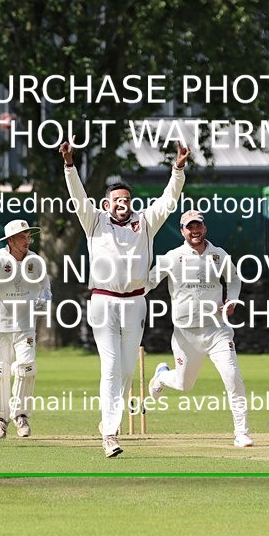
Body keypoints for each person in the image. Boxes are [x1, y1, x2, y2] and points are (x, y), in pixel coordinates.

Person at [60, 140, 189, 458]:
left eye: (126, 200)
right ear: (106, 204)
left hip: (135, 302)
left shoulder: (144, 221)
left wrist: (178, 169)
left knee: (128, 369)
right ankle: (109, 434)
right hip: (103, 301)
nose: (122, 204)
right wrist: (69, 165)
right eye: (117, 200)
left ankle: (107, 421)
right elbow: (77, 197)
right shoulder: (94, 221)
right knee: (112, 366)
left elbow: (169, 200)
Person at [146, 211, 253, 448]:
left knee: (232, 376)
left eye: (198, 226)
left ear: (204, 228)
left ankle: (241, 432)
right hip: (186, 334)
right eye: (189, 227)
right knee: (185, 386)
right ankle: (162, 376)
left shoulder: (219, 254)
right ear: (182, 230)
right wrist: (124, 296)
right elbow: (149, 282)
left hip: (217, 329)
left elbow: (234, 279)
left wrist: (232, 300)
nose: (195, 231)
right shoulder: (172, 257)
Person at [0, 219, 51, 440]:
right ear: (11, 240)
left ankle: (20, 416)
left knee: (26, 368)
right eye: (22, 237)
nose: (27, 241)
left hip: (25, 325)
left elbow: (46, 288)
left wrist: (45, 299)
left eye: (28, 236)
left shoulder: (36, 261)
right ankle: (0, 421)